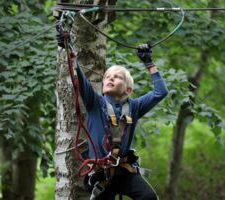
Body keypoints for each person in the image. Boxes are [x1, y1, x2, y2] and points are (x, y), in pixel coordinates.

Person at [57, 34, 168, 199]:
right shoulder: (95, 103)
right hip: (101, 174)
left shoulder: (135, 107)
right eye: (107, 77)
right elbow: (79, 77)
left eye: (117, 77)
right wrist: (69, 49)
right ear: (102, 87)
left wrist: (149, 63)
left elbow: (161, 92)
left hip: (124, 170)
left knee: (149, 197)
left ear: (128, 90)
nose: (111, 78)